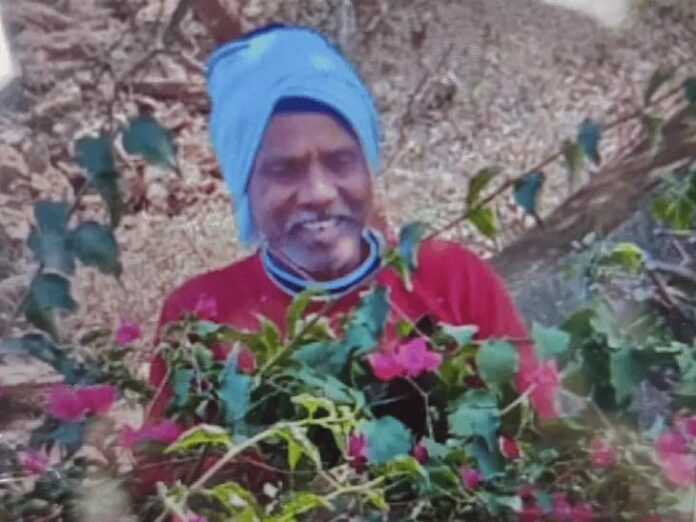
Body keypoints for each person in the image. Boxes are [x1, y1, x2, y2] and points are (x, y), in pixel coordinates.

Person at [146, 23, 548, 426]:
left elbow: (537, 435)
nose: (319, 193)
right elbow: (171, 461)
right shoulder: (201, 319)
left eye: (340, 162)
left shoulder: (454, 280)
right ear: (244, 184)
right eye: (285, 170)